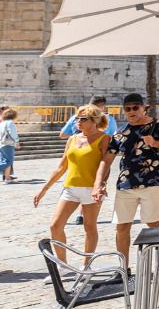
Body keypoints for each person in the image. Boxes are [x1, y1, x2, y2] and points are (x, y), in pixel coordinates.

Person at [95, 93, 159, 265]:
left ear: (143, 108)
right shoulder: (122, 132)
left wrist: (156, 143)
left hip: (152, 182)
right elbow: (107, 159)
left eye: (135, 107)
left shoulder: (158, 125)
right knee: (122, 227)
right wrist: (99, 183)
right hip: (125, 184)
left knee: (153, 222)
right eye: (128, 109)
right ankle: (123, 268)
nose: (131, 111)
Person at [34, 105, 110, 266]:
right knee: (55, 225)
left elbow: (106, 165)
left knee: (89, 227)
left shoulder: (104, 139)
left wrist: (101, 185)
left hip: (92, 188)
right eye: (77, 118)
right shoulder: (72, 139)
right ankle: (63, 265)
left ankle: (86, 265)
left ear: (94, 121)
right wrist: (43, 189)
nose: (78, 122)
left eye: (83, 119)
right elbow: (62, 166)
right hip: (70, 188)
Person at [0, 108, 20, 183]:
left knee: (4, 161)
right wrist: (17, 141)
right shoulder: (10, 123)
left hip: (0, 144)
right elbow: (13, 133)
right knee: (8, 161)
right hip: (8, 143)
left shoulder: (1, 123)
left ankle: (7, 178)